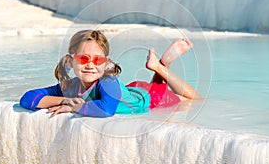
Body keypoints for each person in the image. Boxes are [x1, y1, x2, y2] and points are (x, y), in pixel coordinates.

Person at [20, 30, 201, 117]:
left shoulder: (108, 81)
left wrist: (76, 106)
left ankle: (161, 67)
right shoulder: (70, 87)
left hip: (148, 99)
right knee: (158, 85)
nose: (91, 65)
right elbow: (28, 98)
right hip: (130, 91)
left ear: (105, 63)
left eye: (98, 60)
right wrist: (65, 100)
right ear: (70, 61)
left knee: (195, 99)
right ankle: (161, 65)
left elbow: (106, 109)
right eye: (84, 59)